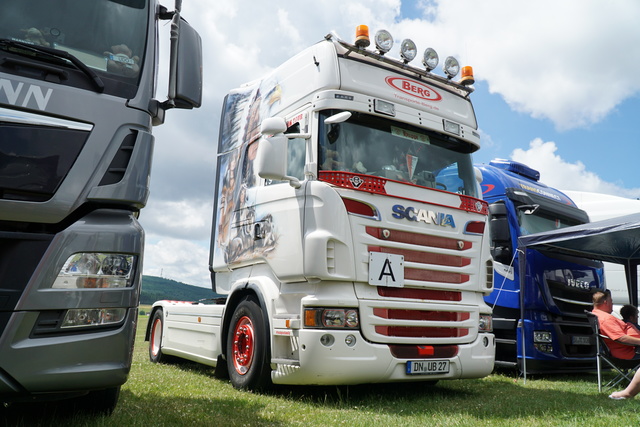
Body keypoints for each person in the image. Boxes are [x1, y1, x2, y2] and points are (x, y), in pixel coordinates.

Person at [591, 290, 640, 399]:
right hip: (629, 353)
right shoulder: (606, 319)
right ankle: (628, 393)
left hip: (630, 350)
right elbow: (621, 338)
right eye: (611, 301)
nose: (612, 304)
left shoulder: (599, 315)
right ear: (605, 302)